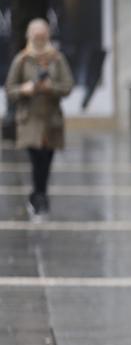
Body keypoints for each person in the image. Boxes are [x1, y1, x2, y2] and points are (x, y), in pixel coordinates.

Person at [4, 18, 74, 220]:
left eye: (44, 36)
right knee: (37, 159)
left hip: (51, 119)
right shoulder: (22, 59)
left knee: (47, 159)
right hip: (30, 119)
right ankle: (38, 196)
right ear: (30, 36)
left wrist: (50, 87)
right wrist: (26, 89)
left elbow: (68, 85)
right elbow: (10, 89)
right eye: (37, 36)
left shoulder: (57, 58)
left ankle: (39, 195)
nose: (40, 40)